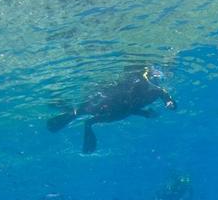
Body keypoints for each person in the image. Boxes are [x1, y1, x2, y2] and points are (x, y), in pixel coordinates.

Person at [47, 66, 176, 153]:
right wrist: (145, 113)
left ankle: (71, 112)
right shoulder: (143, 83)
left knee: (85, 115)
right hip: (111, 103)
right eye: (155, 78)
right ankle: (67, 109)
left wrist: (167, 104)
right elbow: (130, 103)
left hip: (117, 110)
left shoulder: (158, 91)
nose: (156, 82)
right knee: (84, 112)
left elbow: (169, 101)